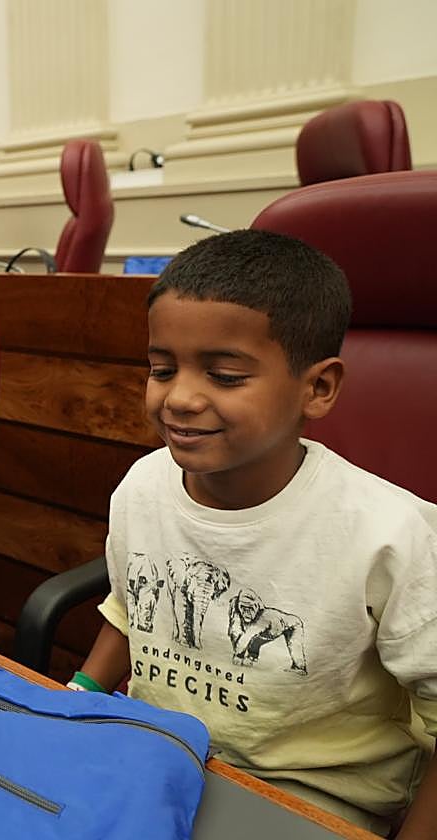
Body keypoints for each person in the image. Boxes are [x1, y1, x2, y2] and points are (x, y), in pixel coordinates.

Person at [72, 230, 436, 836]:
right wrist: (77, 695)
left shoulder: (391, 535)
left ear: (317, 388)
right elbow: (131, 609)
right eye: (162, 368)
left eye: (225, 376)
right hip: (157, 755)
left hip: (306, 799)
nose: (180, 398)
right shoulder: (143, 484)